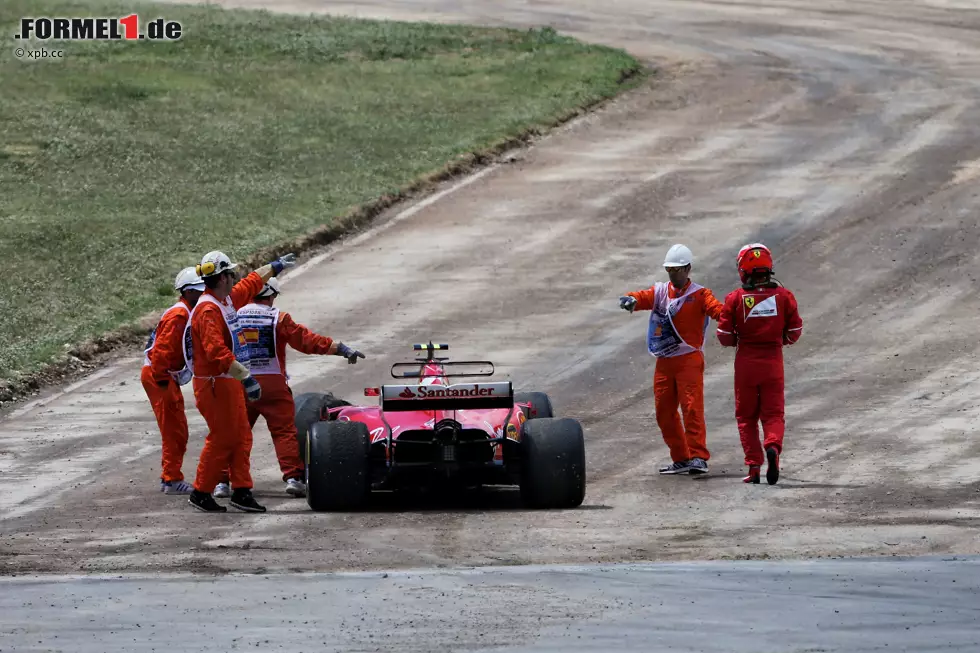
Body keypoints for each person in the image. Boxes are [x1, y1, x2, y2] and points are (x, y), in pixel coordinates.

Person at [211, 277, 365, 499]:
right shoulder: (278, 317)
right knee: (284, 432)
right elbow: (306, 340)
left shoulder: (233, 316)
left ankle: (222, 481)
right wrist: (339, 348)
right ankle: (293, 478)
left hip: (240, 382)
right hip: (273, 383)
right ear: (271, 295)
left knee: (235, 433)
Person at [183, 250, 297, 513]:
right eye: (231, 274)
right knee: (223, 437)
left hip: (227, 381)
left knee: (241, 435)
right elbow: (216, 352)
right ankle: (201, 491)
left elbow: (250, 284)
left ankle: (242, 491)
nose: (235, 278)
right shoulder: (209, 309)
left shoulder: (225, 301)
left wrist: (274, 266)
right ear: (223, 277)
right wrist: (246, 377)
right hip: (215, 384)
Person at [619, 244, 724, 475]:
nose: (673, 274)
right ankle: (681, 458)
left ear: (688, 269)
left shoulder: (700, 294)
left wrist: (732, 317)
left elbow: (718, 311)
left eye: (676, 270)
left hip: (689, 360)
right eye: (669, 270)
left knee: (692, 409)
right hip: (665, 362)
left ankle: (698, 457)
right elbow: (643, 297)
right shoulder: (661, 292)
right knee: (663, 412)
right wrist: (631, 299)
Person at [716, 243, 803, 485]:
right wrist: (781, 340)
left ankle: (754, 466)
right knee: (773, 413)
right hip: (773, 362)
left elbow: (723, 335)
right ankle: (772, 445)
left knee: (746, 417)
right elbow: (795, 329)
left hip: (745, 363)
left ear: (743, 270)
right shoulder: (784, 297)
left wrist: (737, 340)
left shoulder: (735, 299)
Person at [140, 267, 205, 495]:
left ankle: (171, 478)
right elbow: (161, 352)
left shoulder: (186, 311)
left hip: (164, 376)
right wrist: (163, 381)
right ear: (187, 292)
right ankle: (171, 479)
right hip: (161, 376)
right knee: (174, 431)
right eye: (199, 290)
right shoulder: (179, 315)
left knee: (177, 430)